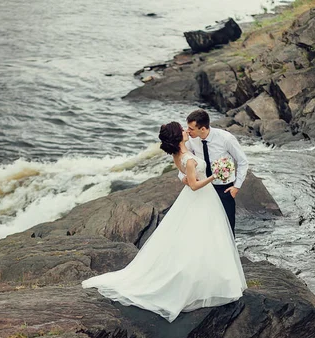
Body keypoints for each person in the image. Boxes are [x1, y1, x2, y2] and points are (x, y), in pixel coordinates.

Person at [81, 122, 247, 323]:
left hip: (196, 199)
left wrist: (191, 177)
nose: (187, 131)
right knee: (202, 236)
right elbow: (194, 185)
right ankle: (199, 281)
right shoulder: (188, 158)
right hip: (200, 198)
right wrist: (214, 175)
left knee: (194, 236)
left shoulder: (179, 156)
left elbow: (186, 179)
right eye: (183, 130)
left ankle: (203, 275)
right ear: (178, 137)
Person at [179, 110, 248, 235]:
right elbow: (183, 161)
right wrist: (183, 177)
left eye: (191, 128)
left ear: (203, 129)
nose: (187, 131)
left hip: (224, 189)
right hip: (203, 188)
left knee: (227, 227)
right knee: (205, 227)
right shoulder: (191, 140)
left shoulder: (226, 138)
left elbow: (243, 161)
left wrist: (236, 187)